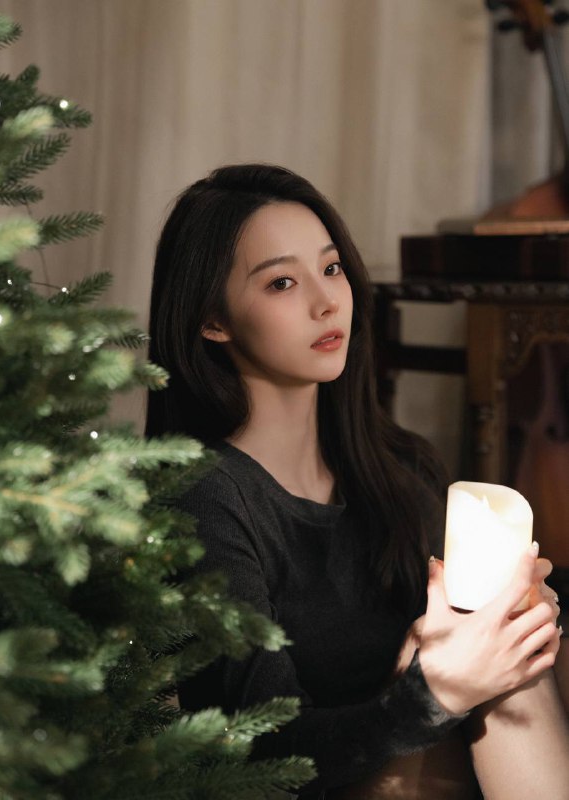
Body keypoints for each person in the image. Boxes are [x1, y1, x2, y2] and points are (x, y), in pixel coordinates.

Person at [145, 163, 569, 799]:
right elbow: (255, 755)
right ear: (212, 320)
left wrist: (519, 618)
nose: (326, 302)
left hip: (452, 771)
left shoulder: (399, 467)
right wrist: (430, 693)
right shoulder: (207, 497)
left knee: (512, 643)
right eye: (283, 282)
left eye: (332, 268)